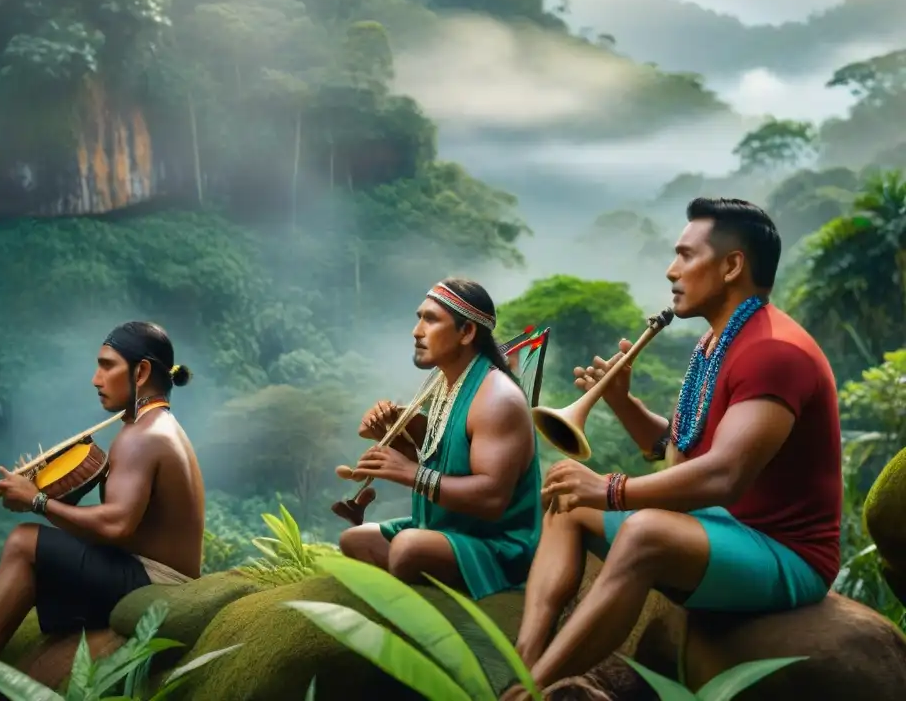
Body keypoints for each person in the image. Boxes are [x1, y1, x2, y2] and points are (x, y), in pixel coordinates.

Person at [503, 198, 842, 699]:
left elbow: (724, 476)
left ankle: (530, 691)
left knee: (643, 532)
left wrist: (612, 490)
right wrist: (623, 403)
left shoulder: (774, 352)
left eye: (686, 256)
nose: (671, 270)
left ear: (731, 266)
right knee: (566, 499)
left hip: (784, 552)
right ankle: (526, 658)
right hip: (724, 525)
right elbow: (680, 449)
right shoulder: (716, 342)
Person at [0, 321, 205, 698]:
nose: (96, 379)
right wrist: (46, 494)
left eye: (107, 365)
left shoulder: (142, 436)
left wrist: (37, 501)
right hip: (145, 571)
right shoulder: (156, 427)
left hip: (159, 585)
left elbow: (116, 526)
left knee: (23, 542)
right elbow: (122, 525)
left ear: (141, 372)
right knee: (39, 546)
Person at [339, 278, 543, 599]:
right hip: (446, 529)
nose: (417, 331)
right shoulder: (446, 384)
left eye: (431, 319)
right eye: (419, 317)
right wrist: (390, 431)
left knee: (407, 549)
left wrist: (408, 473)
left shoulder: (496, 397)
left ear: (467, 332)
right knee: (355, 540)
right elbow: (442, 456)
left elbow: (491, 499)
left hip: (498, 544)